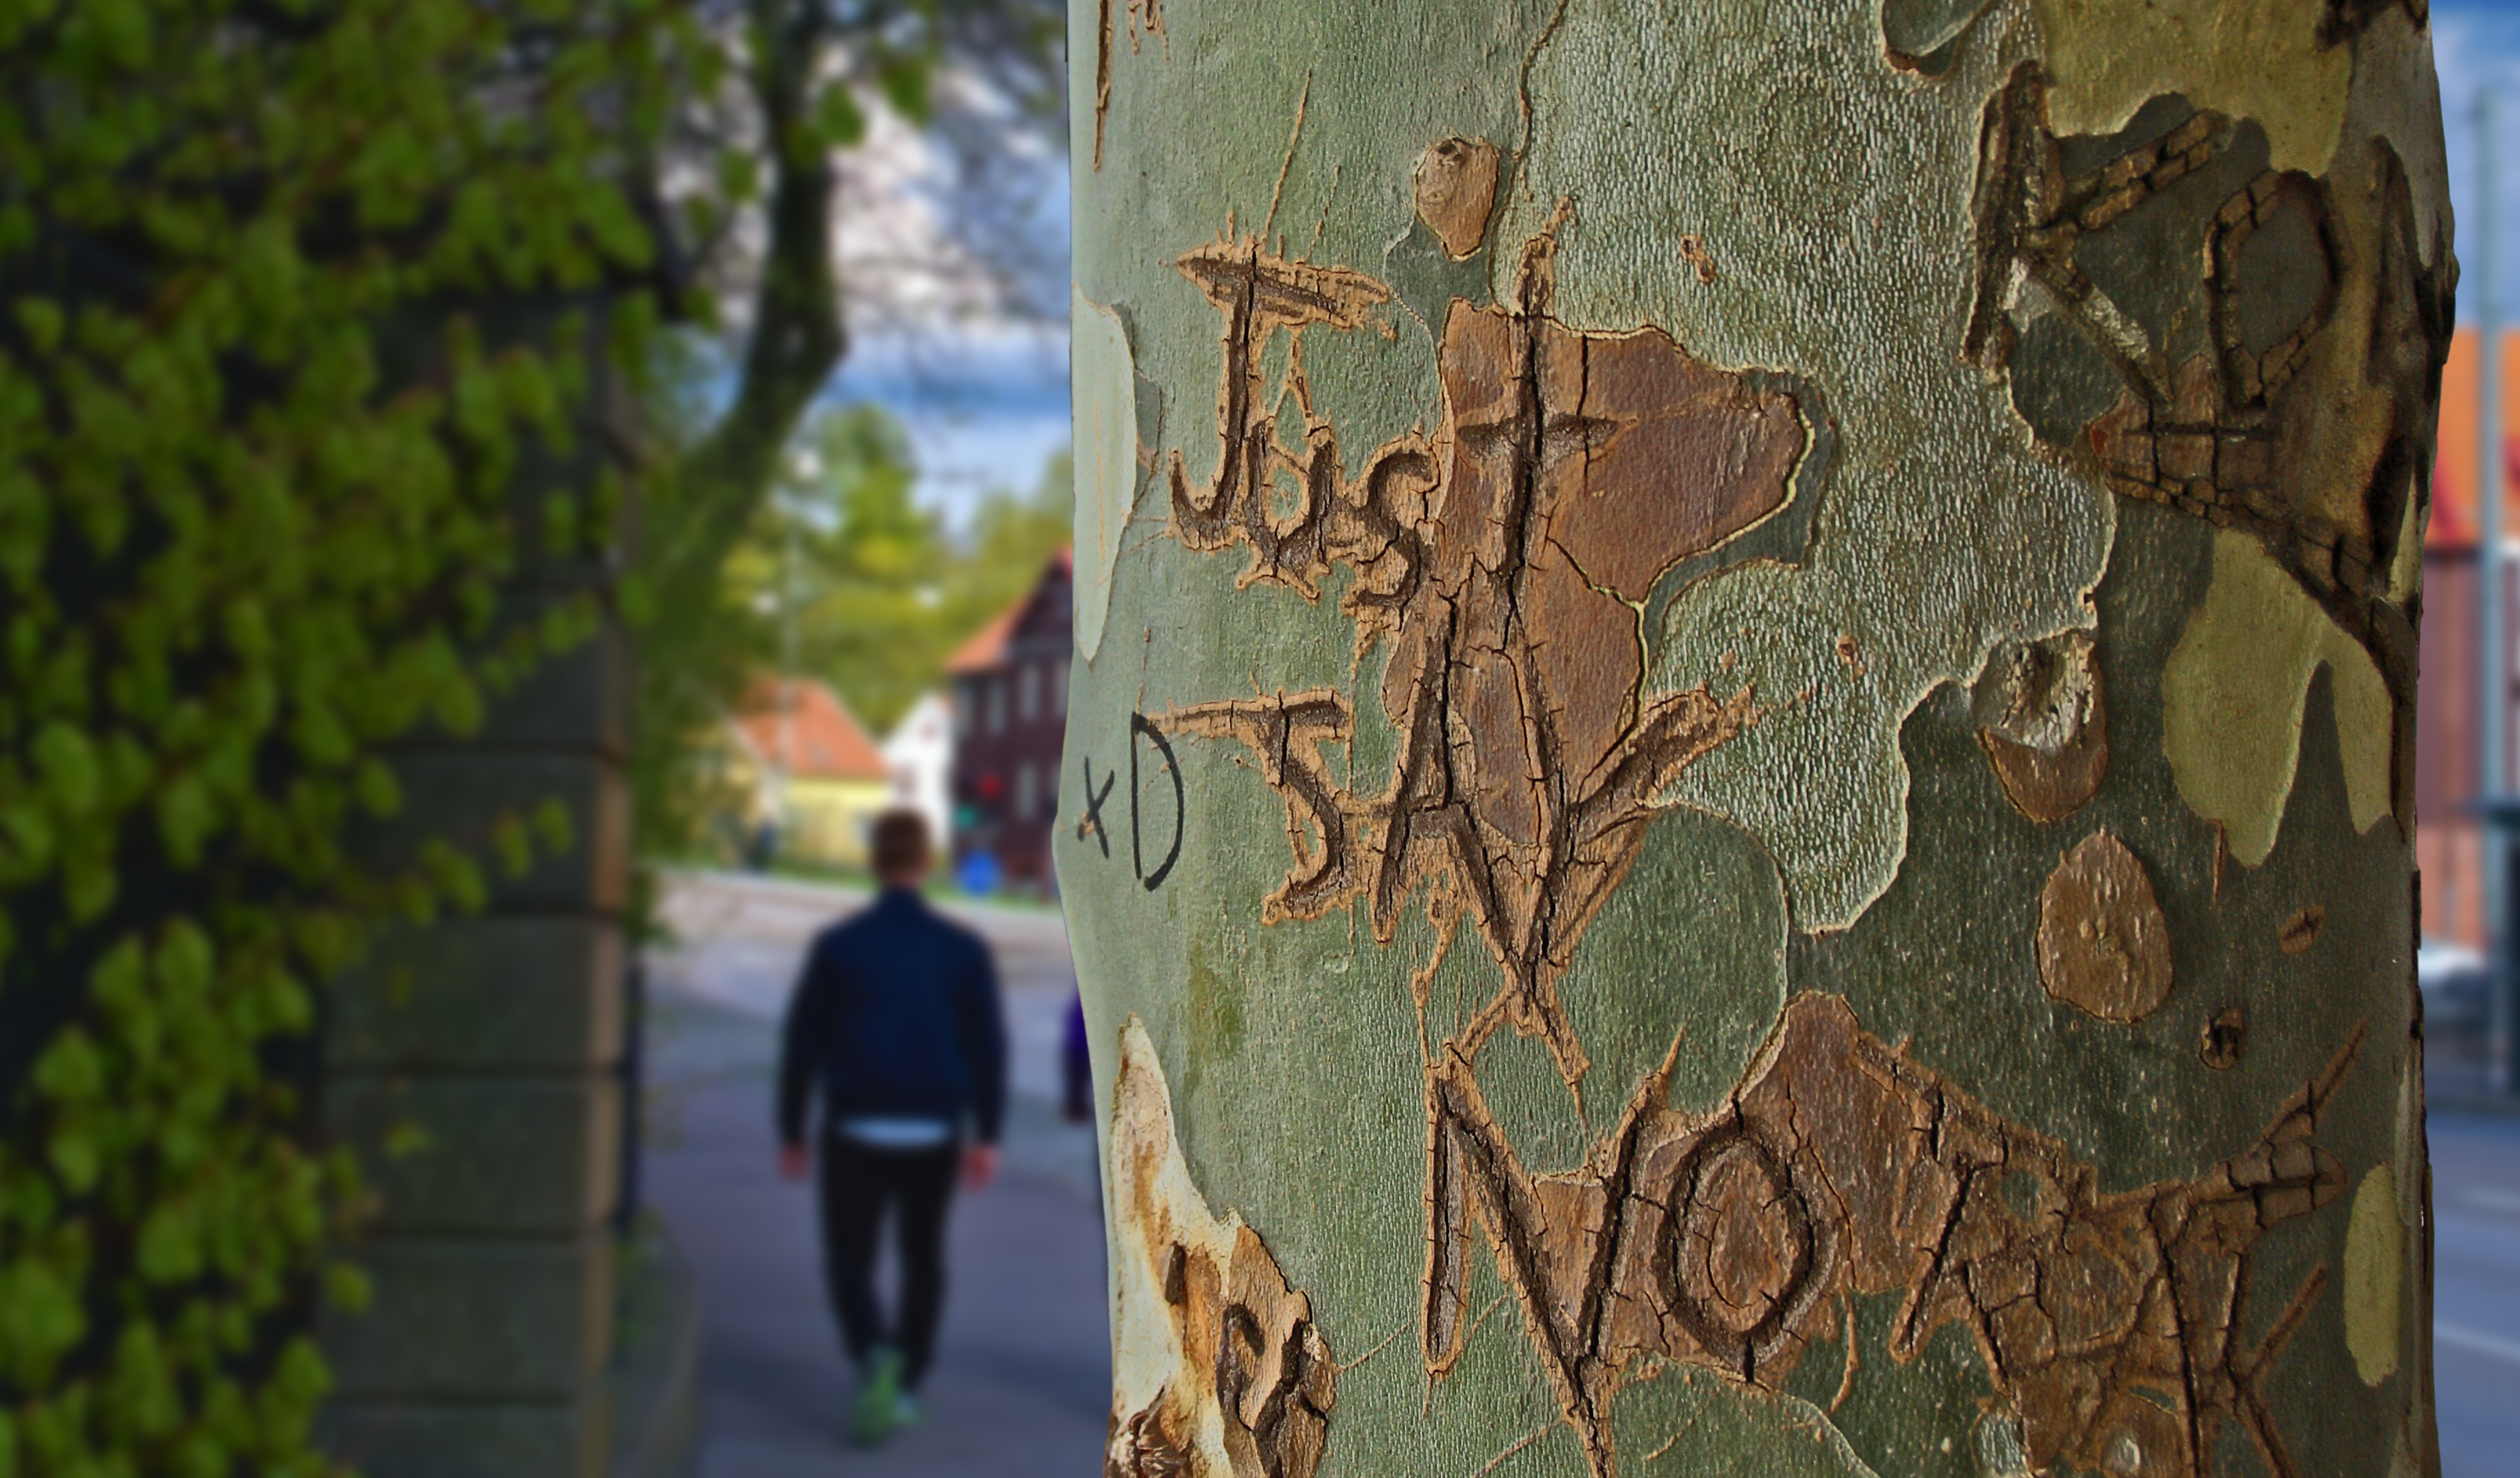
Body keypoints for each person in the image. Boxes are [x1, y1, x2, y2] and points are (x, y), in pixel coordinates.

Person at [777, 809, 1006, 1447]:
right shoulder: (961, 951)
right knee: (923, 1258)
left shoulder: (839, 947)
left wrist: (792, 1128)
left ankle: (872, 1351)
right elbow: (987, 1047)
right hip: (933, 1129)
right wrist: (987, 1132)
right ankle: (905, 1379)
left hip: (855, 1126)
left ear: (876, 863)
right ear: (924, 863)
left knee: (849, 1257)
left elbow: (803, 1044)